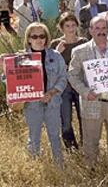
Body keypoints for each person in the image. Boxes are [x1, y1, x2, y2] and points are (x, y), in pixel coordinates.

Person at [68, 16, 108, 166]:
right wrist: (85, 92)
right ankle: (91, 171)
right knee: (91, 141)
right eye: (97, 28)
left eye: (104, 28)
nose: (101, 31)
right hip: (92, 102)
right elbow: (72, 75)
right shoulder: (80, 51)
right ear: (90, 31)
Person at [0, 23, 67, 165]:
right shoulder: (20, 58)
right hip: (32, 106)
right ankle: (35, 166)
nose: (39, 39)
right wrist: (6, 70)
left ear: (46, 38)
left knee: (55, 136)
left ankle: (60, 167)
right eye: (34, 36)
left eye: (42, 36)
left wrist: (51, 93)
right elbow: (8, 81)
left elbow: (63, 77)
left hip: (52, 103)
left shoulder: (56, 56)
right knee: (34, 137)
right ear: (28, 39)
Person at [50, 13, 88, 150]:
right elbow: (50, 67)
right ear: (61, 28)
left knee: (85, 119)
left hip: (80, 85)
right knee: (65, 122)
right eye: (67, 26)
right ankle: (72, 149)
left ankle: (87, 148)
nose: (71, 28)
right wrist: (57, 53)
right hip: (63, 87)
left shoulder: (84, 42)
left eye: (73, 25)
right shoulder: (56, 44)